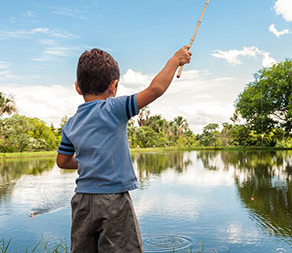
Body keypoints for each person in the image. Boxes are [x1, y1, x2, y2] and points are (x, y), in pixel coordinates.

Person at [56, 46, 191, 253]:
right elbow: (155, 90)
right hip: (114, 200)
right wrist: (175, 60)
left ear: (77, 87)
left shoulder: (71, 124)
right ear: (114, 86)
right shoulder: (114, 108)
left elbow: (62, 161)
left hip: (81, 200)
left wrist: (89, 161)